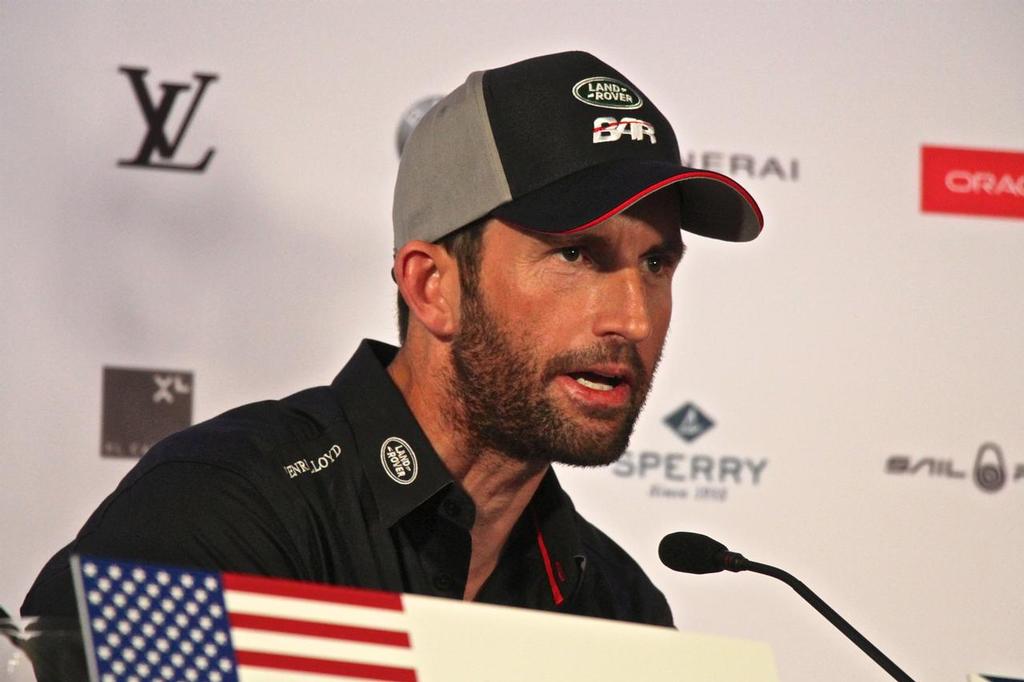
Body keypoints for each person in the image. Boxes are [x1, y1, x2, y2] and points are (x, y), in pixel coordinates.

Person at [23, 50, 761, 626]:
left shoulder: (620, 608)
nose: (633, 318)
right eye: (575, 255)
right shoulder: (226, 511)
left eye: (655, 263)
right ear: (432, 286)